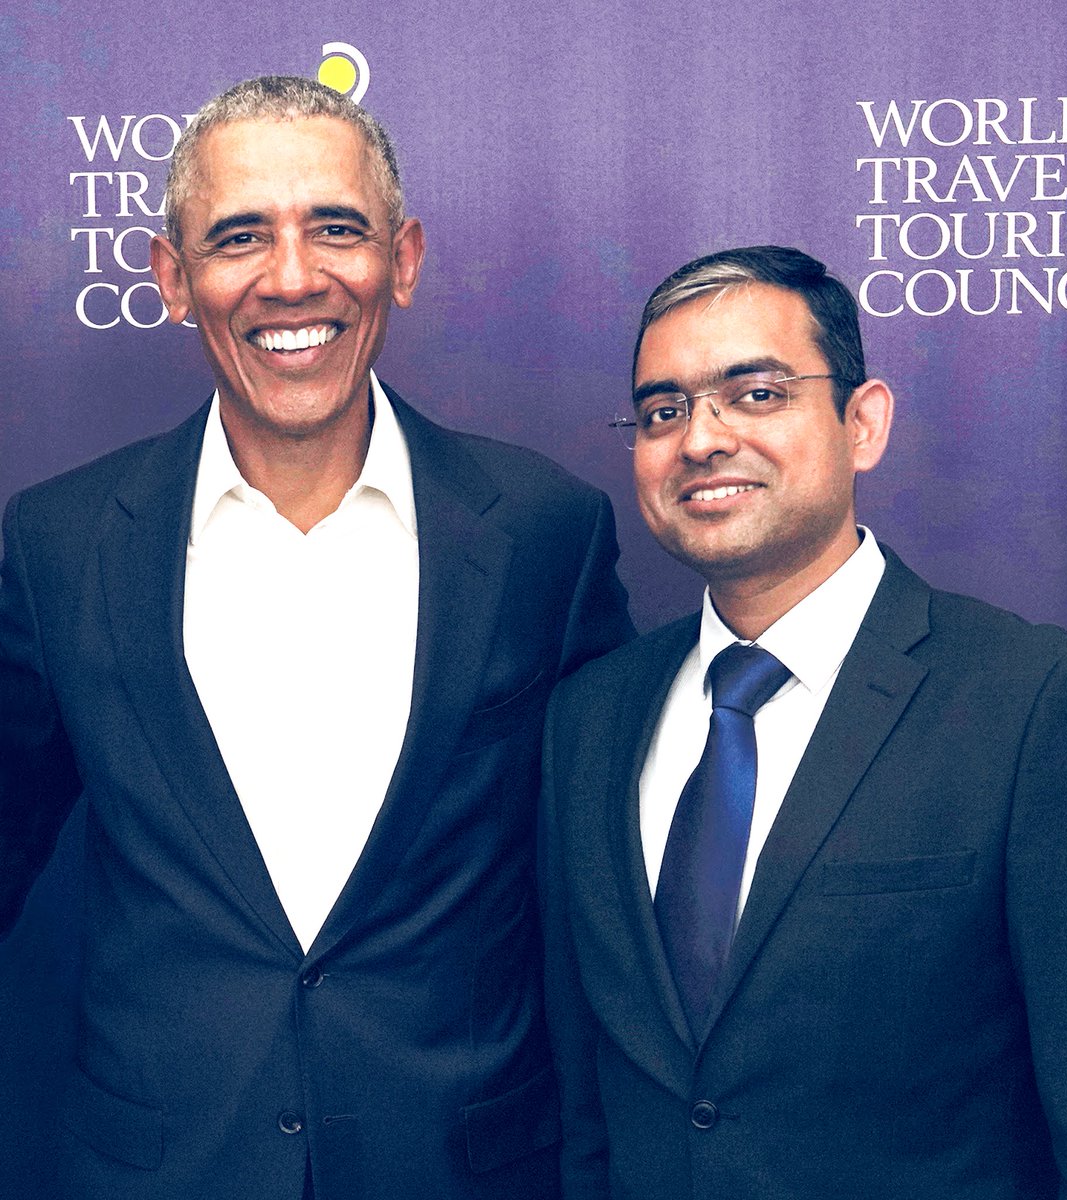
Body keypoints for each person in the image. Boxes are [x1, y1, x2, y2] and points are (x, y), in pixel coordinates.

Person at [0, 76, 632, 1200]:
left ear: (404, 258)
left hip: (463, 1168)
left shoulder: (545, 531)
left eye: (335, 227)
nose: (292, 277)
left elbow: (607, 882)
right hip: (162, 1171)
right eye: (239, 236)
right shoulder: (60, 542)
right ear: (172, 277)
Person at [541, 245, 1067, 1199]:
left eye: (756, 394)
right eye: (664, 411)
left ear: (864, 423)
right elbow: (587, 1107)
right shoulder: (589, 720)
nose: (701, 439)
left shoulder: (1037, 704)